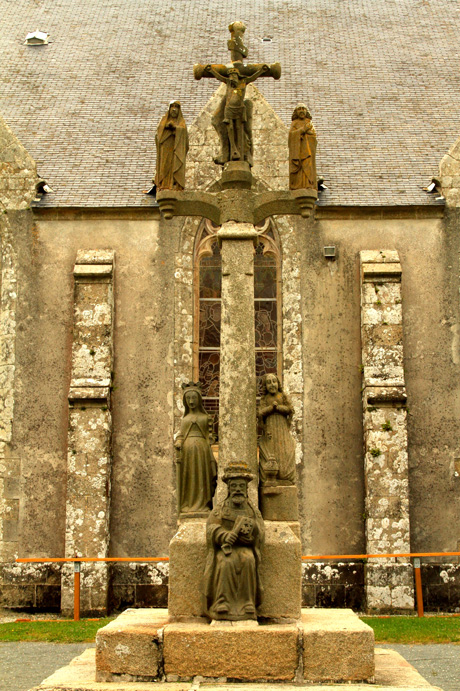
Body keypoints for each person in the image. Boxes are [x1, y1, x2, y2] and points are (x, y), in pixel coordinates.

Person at [204, 461, 264, 620]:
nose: (238, 490)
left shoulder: (252, 510)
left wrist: (252, 534)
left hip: (245, 547)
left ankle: (247, 603)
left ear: (246, 489)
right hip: (226, 549)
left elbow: (260, 530)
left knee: (248, 560)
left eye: (241, 486)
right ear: (229, 488)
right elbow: (211, 528)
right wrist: (223, 535)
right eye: (234, 486)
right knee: (225, 563)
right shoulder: (221, 509)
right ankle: (221, 602)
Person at [206, 63, 269, 164]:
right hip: (229, 110)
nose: (232, 79)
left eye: (234, 76)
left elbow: (252, 78)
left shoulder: (243, 82)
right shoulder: (228, 84)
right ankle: (232, 150)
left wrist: (262, 71)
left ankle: (242, 151)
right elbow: (219, 77)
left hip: (239, 110)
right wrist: (211, 71)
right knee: (230, 128)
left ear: (238, 76)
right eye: (231, 77)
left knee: (239, 128)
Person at [174, 383, 217, 515]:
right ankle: (188, 504)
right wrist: (179, 442)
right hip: (187, 452)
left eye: (194, 398)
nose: (191, 401)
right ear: (185, 401)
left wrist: (210, 438)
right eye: (188, 399)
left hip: (202, 451)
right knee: (189, 477)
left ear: (199, 399)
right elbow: (181, 435)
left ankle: (203, 503)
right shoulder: (185, 419)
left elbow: (211, 436)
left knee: (201, 476)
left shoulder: (205, 418)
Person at [258, 373, 296, 485]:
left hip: (282, 428)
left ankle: (284, 476)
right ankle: (271, 476)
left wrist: (278, 407)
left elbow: (290, 409)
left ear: (278, 383)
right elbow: (260, 413)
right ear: (265, 386)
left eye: (274, 381)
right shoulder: (265, 398)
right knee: (271, 450)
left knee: (285, 449)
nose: (272, 385)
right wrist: (271, 408)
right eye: (268, 383)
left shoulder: (282, 396)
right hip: (270, 428)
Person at [154, 101, 189, 190]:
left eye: (176, 107)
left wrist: (175, 128)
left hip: (176, 149)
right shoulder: (164, 121)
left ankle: (175, 184)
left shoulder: (181, 123)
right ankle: (164, 183)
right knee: (165, 165)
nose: (174, 109)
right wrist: (166, 126)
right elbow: (159, 135)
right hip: (165, 148)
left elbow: (184, 136)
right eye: (172, 107)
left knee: (175, 164)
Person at [288, 103, 317, 190]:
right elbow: (291, 136)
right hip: (299, 152)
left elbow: (313, 137)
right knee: (300, 170)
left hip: (308, 151)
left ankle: (308, 184)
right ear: (296, 112)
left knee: (308, 165)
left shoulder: (309, 123)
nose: (301, 111)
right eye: (299, 109)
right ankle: (299, 185)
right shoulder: (294, 123)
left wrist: (307, 134)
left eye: (303, 109)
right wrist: (303, 130)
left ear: (306, 111)